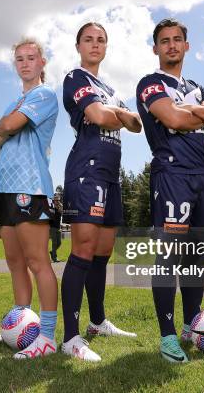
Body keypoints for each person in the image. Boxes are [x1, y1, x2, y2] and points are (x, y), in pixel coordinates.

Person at [135, 18, 204, 363]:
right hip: (171, 175)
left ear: (186, 46)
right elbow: (172, 120)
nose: (172, 45)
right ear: (156, 48)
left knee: (197, 256)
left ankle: (192, 325)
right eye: (164, 40)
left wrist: (187, 109)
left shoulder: (195, 86)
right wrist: (189, 114)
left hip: (202, 175)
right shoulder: (149, 84)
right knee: (170, 256)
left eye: (177, 40)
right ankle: (168, 336)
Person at [60, 22, 142, 362]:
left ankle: (97, 322)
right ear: (79, 45)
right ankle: (70, 337)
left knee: (104, 250)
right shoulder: (74, 78)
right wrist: (120, 115)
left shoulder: (109, 88)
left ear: (106, 47)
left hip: (111, 177)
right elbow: (97, 115)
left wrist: (118, 114)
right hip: (86, 173)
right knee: (83, 249)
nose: (95, 45)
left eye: (101, 40)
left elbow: (136, 125)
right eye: (88, 40)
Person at [0, 38, 59, 359]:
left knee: (37, 261)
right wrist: (4, 128)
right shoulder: (15, 100)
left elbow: (9, 125)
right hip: (3, 188)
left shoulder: (44, 94)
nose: (25, 63)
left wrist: (6, 126)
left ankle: (46, 335)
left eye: (31, 58)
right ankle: (20, 324)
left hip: (31, 187)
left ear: (42, 62)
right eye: (19, 59)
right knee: (14, 262)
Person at [49, 192, 62, 262]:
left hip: (58, 227)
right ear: (53, 200)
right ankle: (54, 257)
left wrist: (60, 207)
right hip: (52, 227)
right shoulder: (51, 206)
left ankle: (52, 252)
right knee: (54, 243)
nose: (57, 201)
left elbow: (63, 213)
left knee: (59, 243)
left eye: (58, 200)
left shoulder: (60, 207)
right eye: (56, 200)